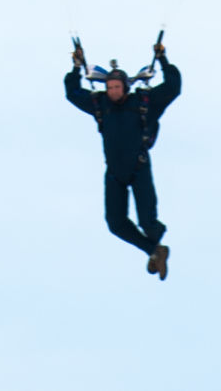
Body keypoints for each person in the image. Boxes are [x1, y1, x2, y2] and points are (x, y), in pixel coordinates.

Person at [64, 39, 181, 279]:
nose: (113, 92)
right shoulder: (100, 104)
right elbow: (73, 93)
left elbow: (173, 87)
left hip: (139, 169)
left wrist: (163, 59)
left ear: (125, 87)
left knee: (148, 224)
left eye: (117, 88)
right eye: (110, 88)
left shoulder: (143, 103)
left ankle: (154, 245)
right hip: (115, 173)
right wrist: (76, 67)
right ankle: (154, 252)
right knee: (115, 222)